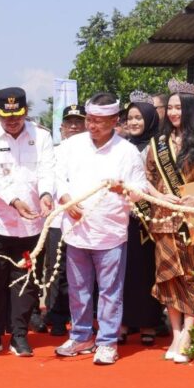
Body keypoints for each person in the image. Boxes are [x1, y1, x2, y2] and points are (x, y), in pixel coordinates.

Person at [53, 92, 148, 365]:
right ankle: (82, 335)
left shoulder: (127, 151)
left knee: (109, 291)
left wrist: (124, 188)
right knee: (78, 288)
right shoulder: (72, 146)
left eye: (100, 121)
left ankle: (107, 340)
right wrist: (65, 199)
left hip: (110, 231)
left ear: (115, 120)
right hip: (76, 230)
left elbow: (140, 190)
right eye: (90, 120)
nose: (92, 126)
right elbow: (58, 177)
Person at [145, 82, 194, 363]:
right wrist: (161, 196)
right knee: (168, 275)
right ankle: (175, 333)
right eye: (170, 107)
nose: (173, 112)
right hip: (164, 216)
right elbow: (148, 180)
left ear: (189, 109)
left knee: (191, 274)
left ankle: (189, 331)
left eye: (179, 107)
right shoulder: (158, 142)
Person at [0, 87, 55, 357]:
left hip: (31, 224)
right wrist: (14, 201)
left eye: (18, 116)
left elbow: (46, 169)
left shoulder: (41, 136)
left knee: (27, 281)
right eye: (6, 117)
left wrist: (45, 194)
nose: (12, 122)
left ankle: (19, 335)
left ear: (26, 112)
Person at [119, 98, 163, 345]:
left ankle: (148, 323)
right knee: (124, 271)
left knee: (147, 270)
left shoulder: (159, 147)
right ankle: (124, 323)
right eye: (130, 118)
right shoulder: (121, 146)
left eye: (139, 118)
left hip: (151, 216)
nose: (134, 122)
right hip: (123, 217)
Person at [42, 104, 87, 337]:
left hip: (86, 221)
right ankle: (56, 315)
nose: (74, 127)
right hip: (60, 220)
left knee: (84, 272)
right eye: (70, 123)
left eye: (78, 122)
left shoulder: (93, 151)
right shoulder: (54, 152)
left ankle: (83, 317)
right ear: (61, 128)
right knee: (57, 271)